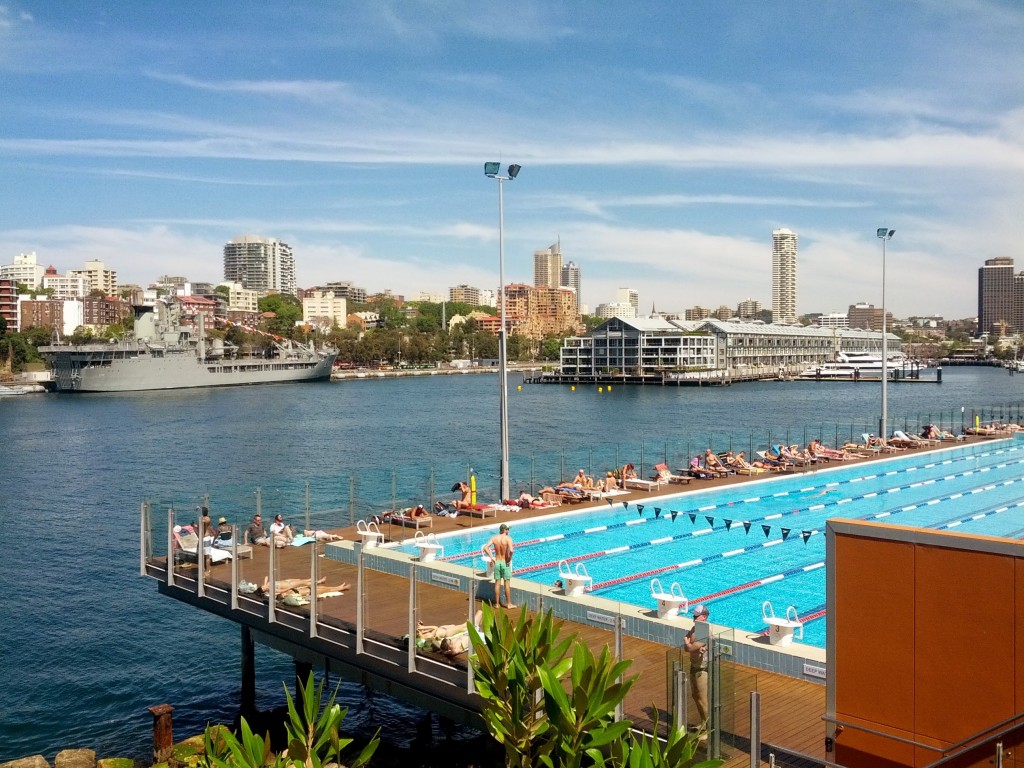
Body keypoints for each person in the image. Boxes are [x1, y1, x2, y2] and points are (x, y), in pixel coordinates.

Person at [684, 604, 711, 741]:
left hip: (702, 668)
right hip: (694, 665)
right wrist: (689, 646)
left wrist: (689, 645)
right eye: (693, 615)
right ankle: (703, 722)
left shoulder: (704, 629)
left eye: (696, 616)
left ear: (704, 617)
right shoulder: (695, 628)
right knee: (696, 696)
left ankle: (708, 728)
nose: (693, 617)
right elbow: (686, 644)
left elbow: (690, 646)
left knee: (702, 698)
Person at [482, 523, 516, 608]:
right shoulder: (508, 539)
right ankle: (508, 604)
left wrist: (492, 558)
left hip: (497, 561)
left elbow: (485, 548)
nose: (508, 531)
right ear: (504, 530)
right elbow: (511, 550)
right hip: (505, 562)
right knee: (506, 583)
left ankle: (497, 604)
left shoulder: (494, 538)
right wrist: (509, 559)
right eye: (507, 529)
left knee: (497, 582)